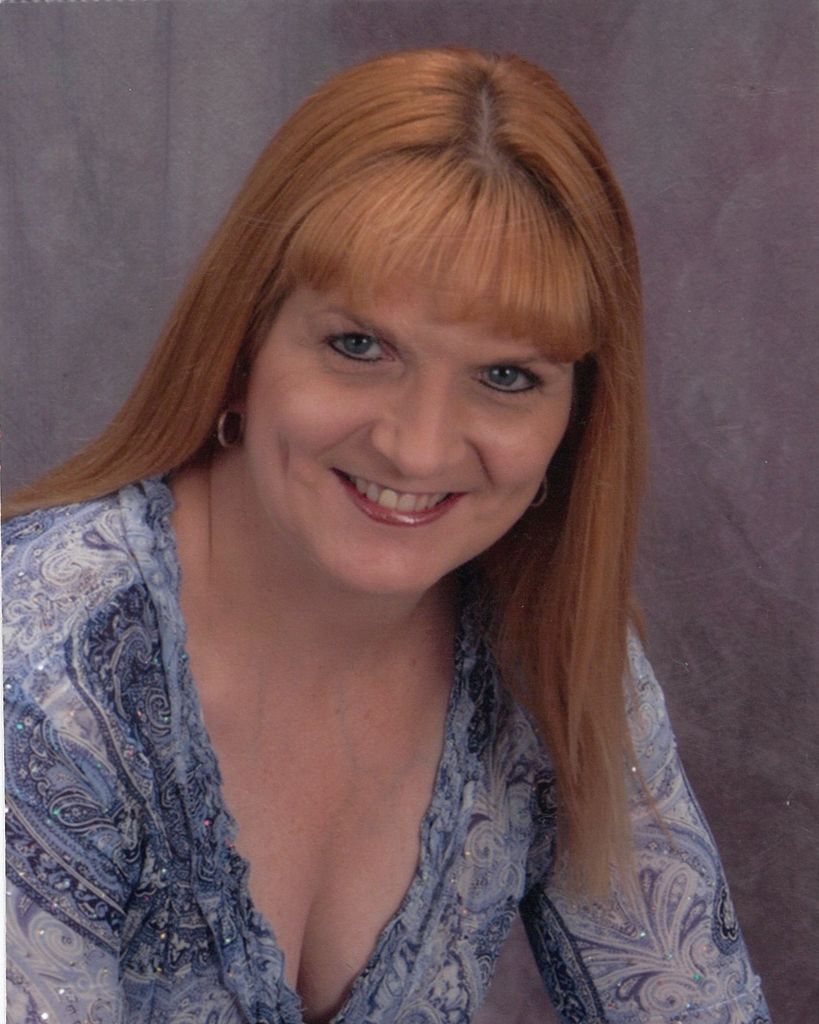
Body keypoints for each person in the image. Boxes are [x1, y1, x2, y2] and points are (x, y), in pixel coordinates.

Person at [3, 47, 769, 1024]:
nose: (417, 446)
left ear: (576, 420)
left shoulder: (552, 645)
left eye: (506, 377)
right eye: (359, 346)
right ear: (240, 346)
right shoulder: (41, 675)